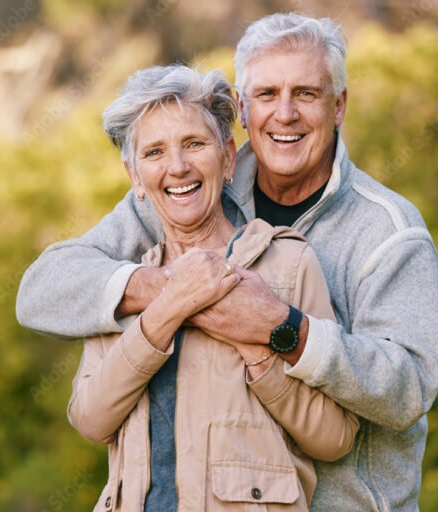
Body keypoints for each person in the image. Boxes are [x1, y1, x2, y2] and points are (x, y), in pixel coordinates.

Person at [17, 12, 438, 512]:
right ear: (241, 109)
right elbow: (41, 291)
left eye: (306, 94)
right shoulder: (188, 191)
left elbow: (408, 391)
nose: (284, 114)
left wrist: (283, 329)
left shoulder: (389, 232)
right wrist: (173, 291)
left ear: (339, 106)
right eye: (266, 95)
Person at [68, 63, 358, 511]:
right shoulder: (124, 283)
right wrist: (166, 309)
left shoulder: (287, 263)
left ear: (227, 157)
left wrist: (256, 339)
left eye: (194, 144)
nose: (177, 167)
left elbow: (334, 437)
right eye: (154, 153)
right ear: (134, 178)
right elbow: (90, 419)